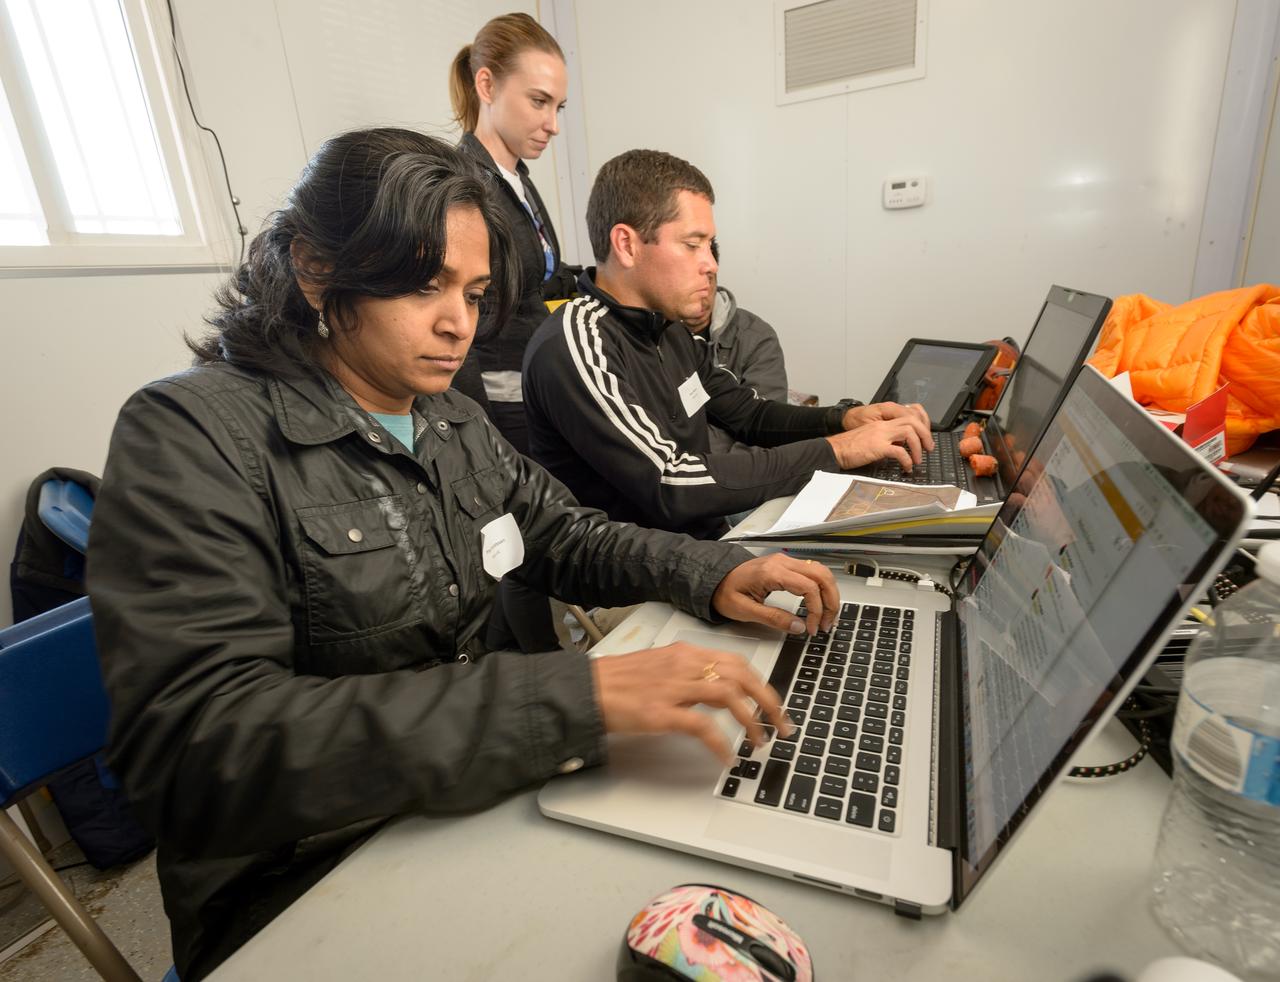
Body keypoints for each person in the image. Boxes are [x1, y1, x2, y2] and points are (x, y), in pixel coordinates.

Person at [86, 129, 840, 980]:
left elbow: (561, 533)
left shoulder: (445, 413)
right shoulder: (188, 435)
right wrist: (570, 695)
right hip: (303, 875)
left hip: (456, 804)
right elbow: (199, 751)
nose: (459, 324)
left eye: (475, 293)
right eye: (424, 284)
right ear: (315, 269)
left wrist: (715, 571)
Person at [522, 148, 934, 541]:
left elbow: (748, 416)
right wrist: (837, 452)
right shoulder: (576, 343)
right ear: (627, 245)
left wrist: (844, 421)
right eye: (692, 244)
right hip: (632, 583)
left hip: (702, 548)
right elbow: (671, 483)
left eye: (710, 245)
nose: (711, 263)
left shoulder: (669, 330)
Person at [448, 12, 579, 455]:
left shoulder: (517, 176)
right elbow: (458, 312)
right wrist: (471, 427)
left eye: (558, 107)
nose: (553, 124)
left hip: (541, 384)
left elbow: (541, 274)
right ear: (487, 86)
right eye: (538, 102)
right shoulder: (463, 185)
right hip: (502, 402)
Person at [681, 251, 790, 454]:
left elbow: (764, 428)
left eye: (708, 280)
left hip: (730, 473)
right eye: (688, 283)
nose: (702, 292)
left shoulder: (756, 337)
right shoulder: (660, 338)